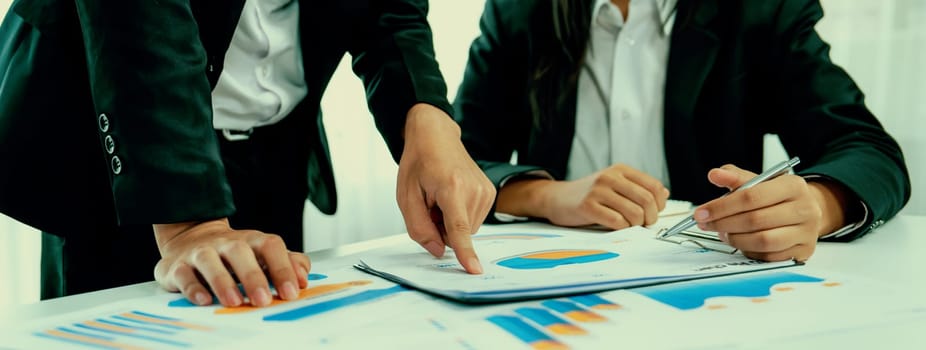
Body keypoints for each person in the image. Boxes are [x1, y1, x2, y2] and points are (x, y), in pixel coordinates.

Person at [0, 0, 493, 306]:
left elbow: (388, 6)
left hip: (275, 145)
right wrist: (189, 225)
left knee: (265, 309)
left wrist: (423, 111)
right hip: (123, 155)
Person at [454, 0, 911, 262]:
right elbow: (456, 162)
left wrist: (815, 203)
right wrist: (547, 197)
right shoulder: (519, 10)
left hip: (704, 282)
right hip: (551, 282)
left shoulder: (762, 8)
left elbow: (868, 150)